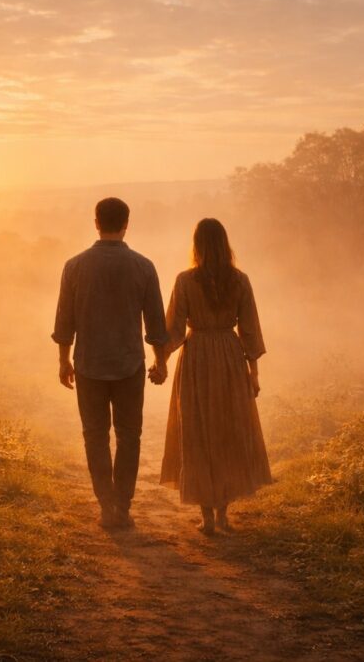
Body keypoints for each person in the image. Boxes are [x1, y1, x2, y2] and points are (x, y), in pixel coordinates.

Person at [150, 218, 273, 534]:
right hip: (231, 358)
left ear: (197, 245)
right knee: (228, 430)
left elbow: (174, 331)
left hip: (199, 358)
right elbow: (249, 330)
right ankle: (222, 515)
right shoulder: (240, 280)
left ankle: (206, 517)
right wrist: (254, 373)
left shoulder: (185, 281)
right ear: (225, 243)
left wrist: (161, 362)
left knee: (199, 431)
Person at [52, 197, 168, 529]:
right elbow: (156, 324)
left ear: (96, 222)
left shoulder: (74, 266)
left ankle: (105, 506)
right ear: (126, 223)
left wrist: (63, 360)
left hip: (88, 364)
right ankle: (123, 507)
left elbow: (65, 321)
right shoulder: (143, 266)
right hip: (130, 365)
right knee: (129, 436)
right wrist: (160, 363)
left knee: (95, 436)